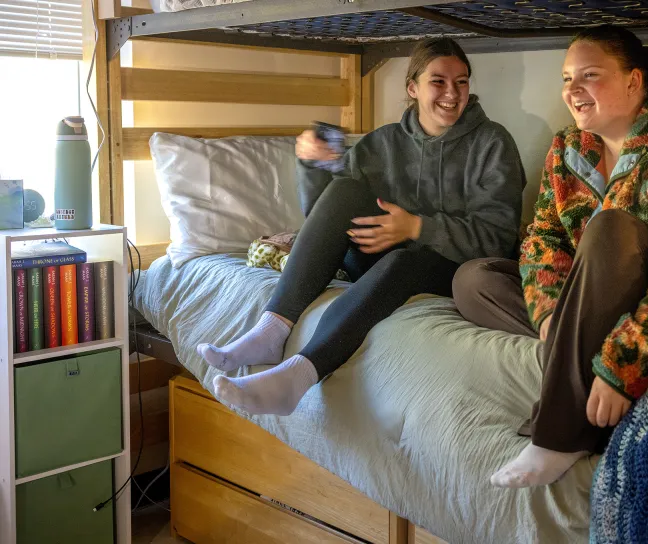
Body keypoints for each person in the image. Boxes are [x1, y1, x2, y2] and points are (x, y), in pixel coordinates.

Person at [453, 26, 648, 488]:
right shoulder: (567, 148)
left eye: (589, 76)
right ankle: (576, 331)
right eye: (566, 78)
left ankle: (558, 436)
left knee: (611, 226)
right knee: (473, 280)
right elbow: (542, 239)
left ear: (634, 81)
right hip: (590, 284)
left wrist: (624, 366)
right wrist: (550, 311)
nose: (572, 91)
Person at [198, 37, 525, 416]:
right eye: (438, 81)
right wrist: (313, 163)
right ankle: (273, 327)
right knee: (347, 188)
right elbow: (324, 217)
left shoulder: (492, 143)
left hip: (445, 267)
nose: (452, 93)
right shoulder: (383, 143)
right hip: (372, 258)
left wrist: (417, 227)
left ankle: (299, 375)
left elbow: (497, 239)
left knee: (404, 260)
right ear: (412, 88)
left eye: (462, 81)